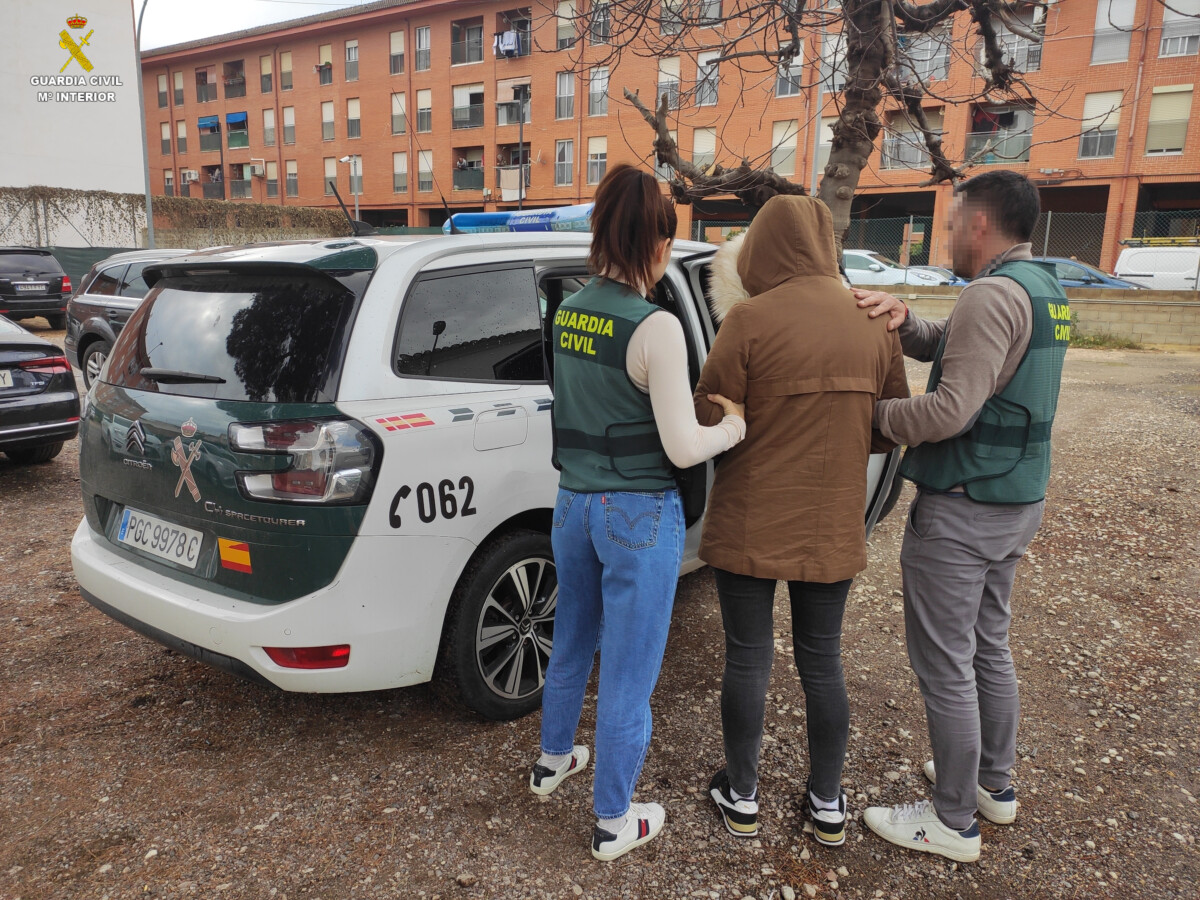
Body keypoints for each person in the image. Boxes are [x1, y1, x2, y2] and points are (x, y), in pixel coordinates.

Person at [531, 163, 747, 861]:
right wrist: (734, 429)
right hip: (638, 515)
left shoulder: (567, 310)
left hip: (573, 504)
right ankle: (614, 820)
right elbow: (684, 447)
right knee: (628, 673)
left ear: (599, 230)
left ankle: (552, 760)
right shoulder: (656, 327)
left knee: (571, 642)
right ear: (659, 242)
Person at [854, 170, 1070, 863]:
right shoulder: (1044, 289)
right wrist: (907, 323)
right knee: (988, 646)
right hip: (1015, 500)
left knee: (946, 665)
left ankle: (951, 822)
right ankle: (989, 786)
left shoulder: (989, 294)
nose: (946, 234)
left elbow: (950, 410)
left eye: (951, 222)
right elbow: (973, 351)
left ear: (979, 223)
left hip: (964, 506)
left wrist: (866, 416)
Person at [693, 195, 909, 846]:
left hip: (749, 520)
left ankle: (742, 796)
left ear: (763, 247)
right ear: (825, 245)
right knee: (823, 663)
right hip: (830, 522)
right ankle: (827, 804)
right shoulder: (873, 320)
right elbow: (887, 427)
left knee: (748, 659)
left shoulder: (749, 320)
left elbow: (710, 420)